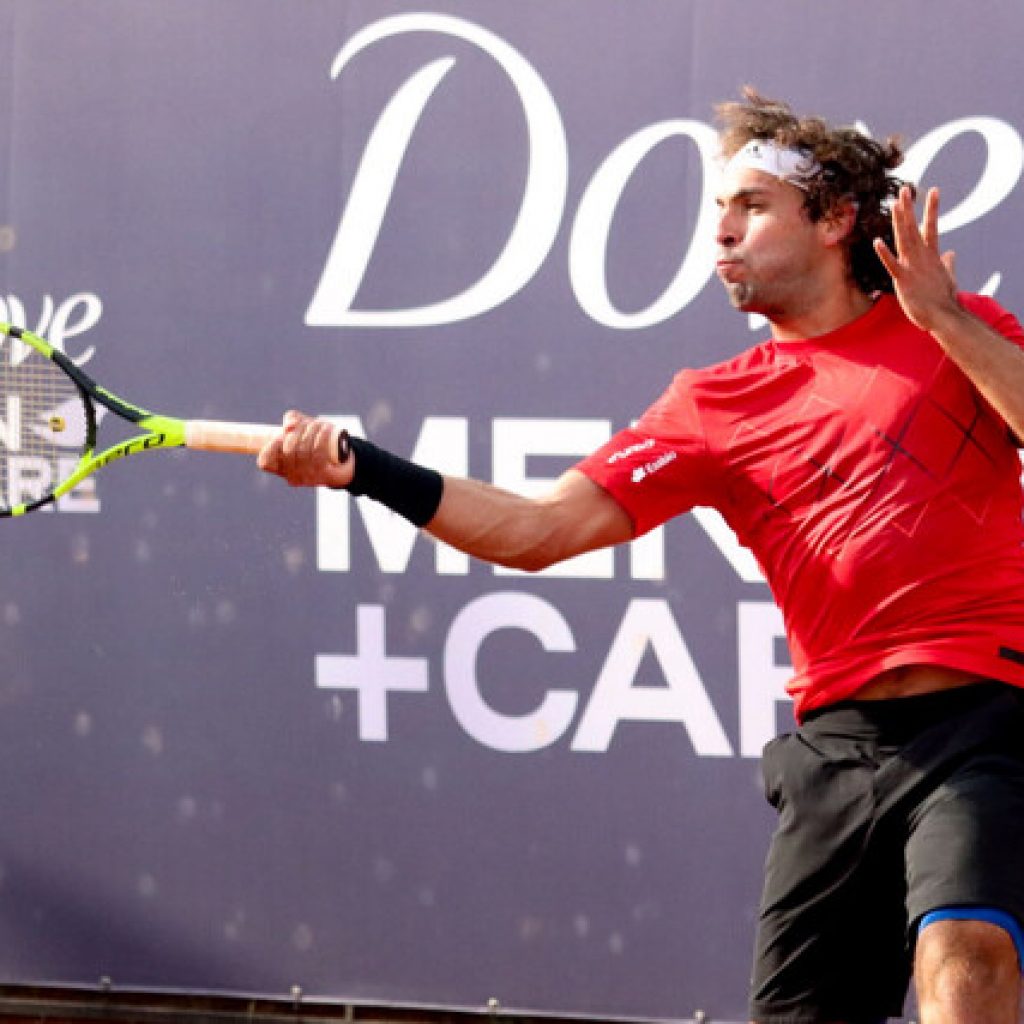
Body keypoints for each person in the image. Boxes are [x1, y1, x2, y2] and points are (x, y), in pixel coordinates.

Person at [258, 89, 1024, 1023]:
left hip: (986, 719)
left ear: (831, 221)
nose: (722, 234)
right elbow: (535, 528)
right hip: (834, 751)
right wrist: (361, 470)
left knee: (968, 955)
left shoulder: (957, 331)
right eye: (717, 213)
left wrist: (945, 318)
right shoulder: (710, 406)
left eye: (751, 208)